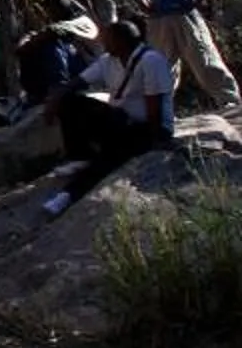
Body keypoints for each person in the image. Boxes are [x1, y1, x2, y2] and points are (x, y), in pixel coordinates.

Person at [47, 18, 178, 209]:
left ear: (122, 41)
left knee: (110, 158)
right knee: (70, 101)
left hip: (148, 127)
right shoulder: (108, 61)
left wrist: (154, 140)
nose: (103, 42)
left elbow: (155, 105)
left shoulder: (151, 61)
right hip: (121, 121)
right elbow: (76, 83)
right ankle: (80, 155)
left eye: (108, 38)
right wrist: (54, 102)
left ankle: (67, 196)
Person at [12, 0, 102, 111]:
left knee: (51, 45)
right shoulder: (53, 29)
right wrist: (30, 41)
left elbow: (52, 31)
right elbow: (20, 49)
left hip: (86, 74)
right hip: (69, 70)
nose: (50, 14)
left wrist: (33, 40)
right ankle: (37, 93)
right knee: (34, 50)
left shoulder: (83, 22)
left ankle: (59, 88)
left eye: (53, 10)